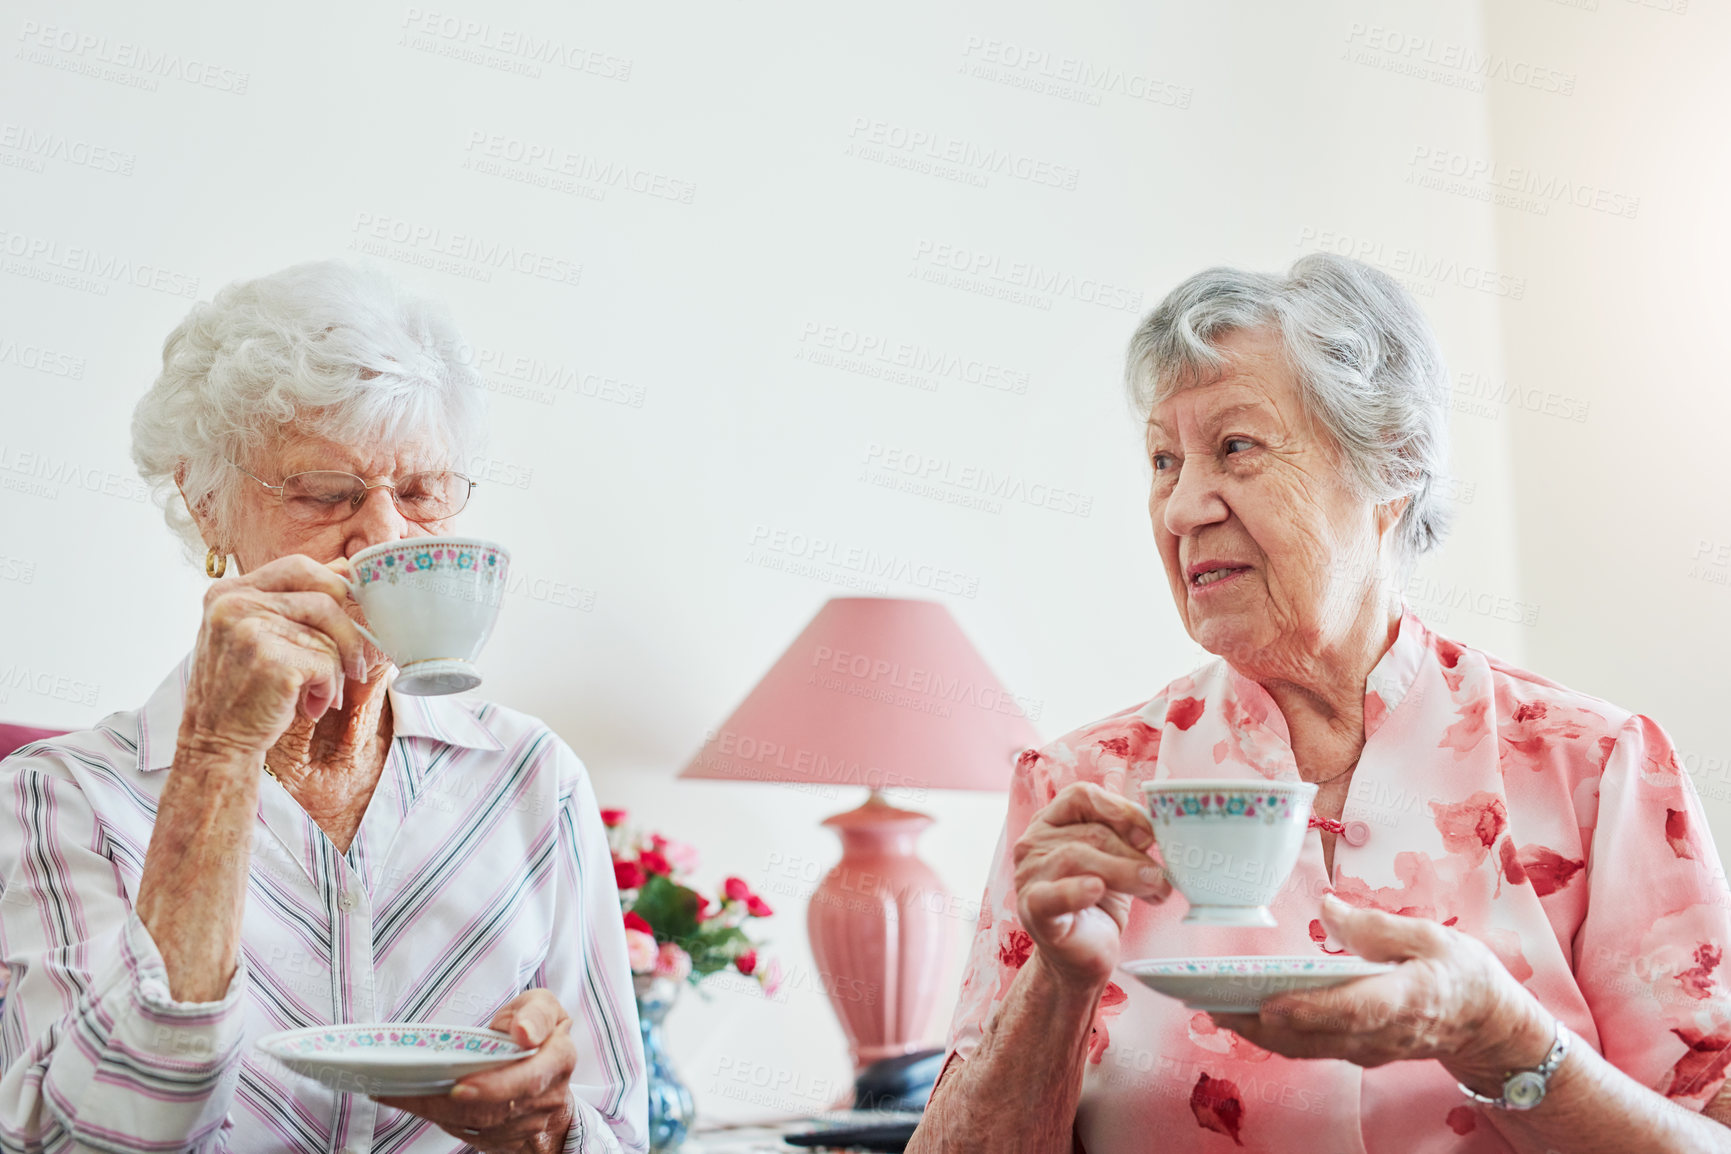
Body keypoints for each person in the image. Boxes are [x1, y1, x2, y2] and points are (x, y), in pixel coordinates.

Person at [909, 254, 1731, 1152]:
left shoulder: (1593, 770)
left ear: (1393, 468)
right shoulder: (1081, 791)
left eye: (1235, 447)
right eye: (1161, 459)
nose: (1182, 506)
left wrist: (1505, 1043)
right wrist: (1056, 990)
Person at [0, 261, 646, 1153]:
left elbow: (618, 1129)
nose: (383, 534)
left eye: (420, 494)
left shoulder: (531, 778)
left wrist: (543, 1130)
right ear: (206, 503)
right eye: (324, 493)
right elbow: (94, 1139)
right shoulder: (55, 798)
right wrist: (218, 753)